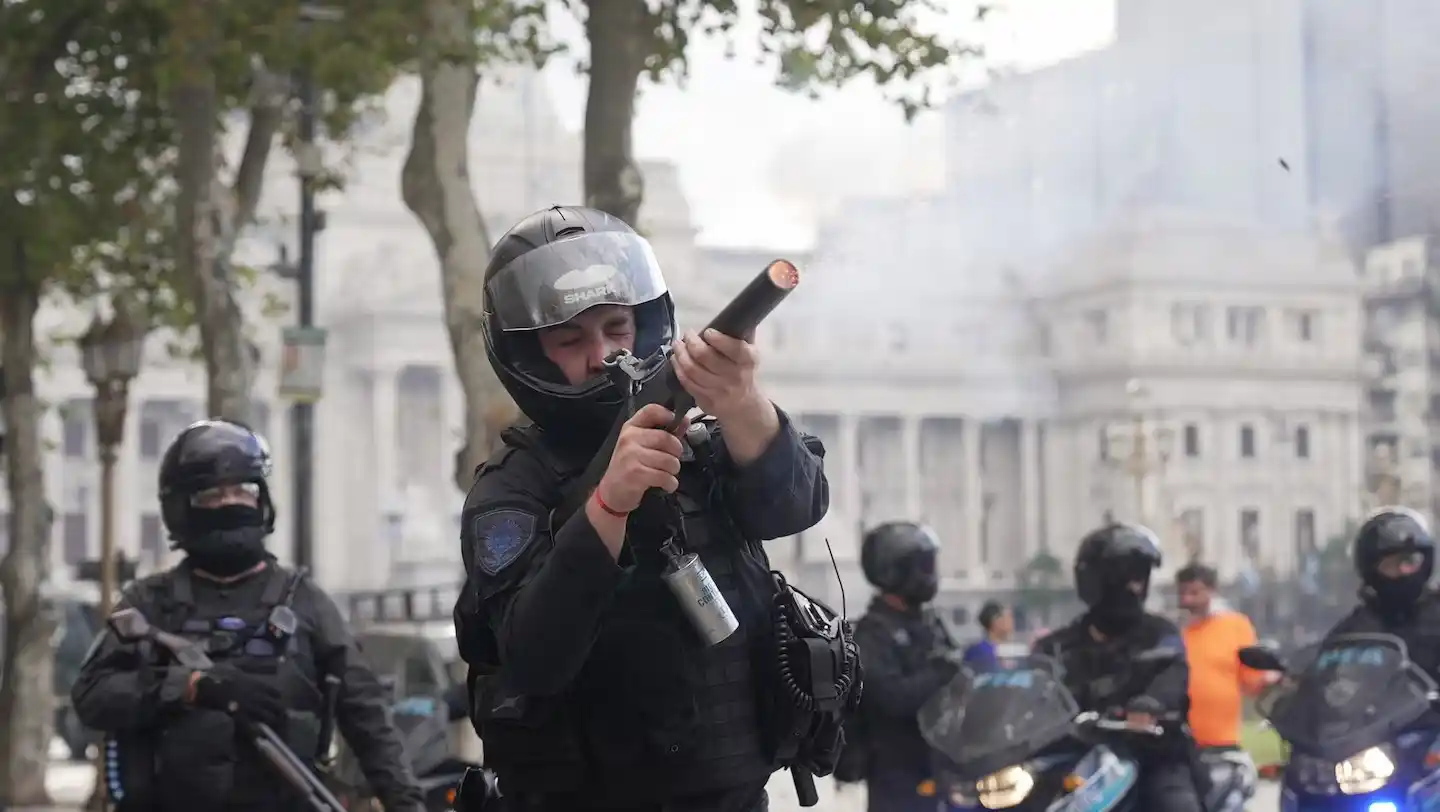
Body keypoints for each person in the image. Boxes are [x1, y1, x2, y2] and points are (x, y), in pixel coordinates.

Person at [453, 206, 833, 811]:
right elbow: (535, 657)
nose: (602, 354)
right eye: (570, 340)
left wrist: (742, 403)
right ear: (529, 353)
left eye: (617, 327)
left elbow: (796, 506)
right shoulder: (511, 491)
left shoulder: (702, 443)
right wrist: (609, 503)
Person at [71, 419, 425, 812]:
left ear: (262, 500)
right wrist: (188, 687)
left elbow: (367, 717)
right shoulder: (149, 603)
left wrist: (405, 803)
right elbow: (92, 695)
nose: (231, 502)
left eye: (243, 490)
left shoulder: (307, 604)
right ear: (182, 506)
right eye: (213, 495)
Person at [1032, 522, 1203, 812]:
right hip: (1072, 757)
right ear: (1095, 580)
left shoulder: (1160, 634)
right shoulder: (1056, 647)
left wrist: (1151, 705)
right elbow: (1032, 688)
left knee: (1177, 805)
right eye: (1126, 576)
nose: (1135, 587)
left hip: (1151, 757)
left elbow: (1172, 676)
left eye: (1141, 577)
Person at [849, 521, 959, 812]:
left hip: (944, 766)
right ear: (893, 571)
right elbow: (891, 699)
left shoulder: (929, 621)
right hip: (896, 775)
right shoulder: (871, 634)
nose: (930, 576)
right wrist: (943, 672)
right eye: (922, 567)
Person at [1176, 563, 1267, 809]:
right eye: (1183, 593)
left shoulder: (1235, 626)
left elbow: (1253, 680)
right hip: (1179, 748)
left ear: (1212, 591)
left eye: (1195, 592)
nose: (1187, 600)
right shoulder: (1173, 633)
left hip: (1222, 747)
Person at [1325, 507, 1440, 678]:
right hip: (1374, 705)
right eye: (1392, 564)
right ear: (1371, 569)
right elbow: (1325, 680)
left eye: (1409, 561)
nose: (1402, 570)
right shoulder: (1354, 630)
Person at [961, 601, 1012, 672]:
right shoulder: (979, 650)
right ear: (995, 621)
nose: (1010, 622)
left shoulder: (1012, 649)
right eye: (1006, 618)